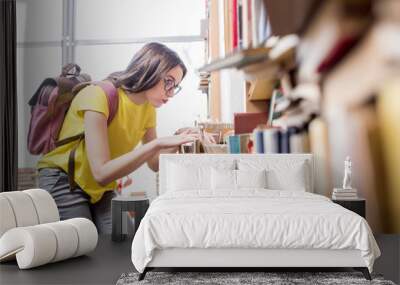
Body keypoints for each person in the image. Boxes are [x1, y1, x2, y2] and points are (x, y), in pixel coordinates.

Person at [38, 42, 199, 233]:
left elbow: (154, 163)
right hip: (65, 179)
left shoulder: (148, 108)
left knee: (124, 243)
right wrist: (158, 143)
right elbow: (101, 172)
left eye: (176, 86)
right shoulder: (99, 95)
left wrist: (178, 139)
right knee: (82, 242)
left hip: (100, 188)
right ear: (150, 70)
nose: (171, 93)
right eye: (169, 82)